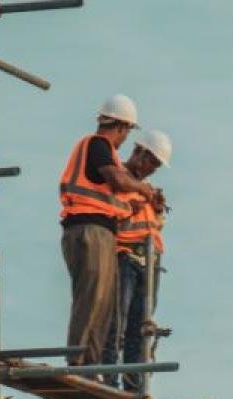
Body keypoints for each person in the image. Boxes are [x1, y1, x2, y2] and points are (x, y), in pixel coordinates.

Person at [59, 94, 160, 368]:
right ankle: (79, 362)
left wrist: (144, 200)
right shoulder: (98, 145)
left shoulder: (106, 155)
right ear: (122, 127)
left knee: (102, 303)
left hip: (99, 230)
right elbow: (117, 179)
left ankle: (90, 364)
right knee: (91, 298)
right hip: (87, 229)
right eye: (127, 131)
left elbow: (116, 198)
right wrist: (142, 188)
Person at [101, 130, 173, 391]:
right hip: (125, 258)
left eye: (156, 165)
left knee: (140, 329)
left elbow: (152, 226)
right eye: (151, 161)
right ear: (139, 153)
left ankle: (134, 385)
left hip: (149, 263)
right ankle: (109, 379)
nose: (153, 169)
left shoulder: (146, 190)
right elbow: (111, 216)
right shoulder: (118, 179)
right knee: (116, 325)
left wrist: (156, 211)